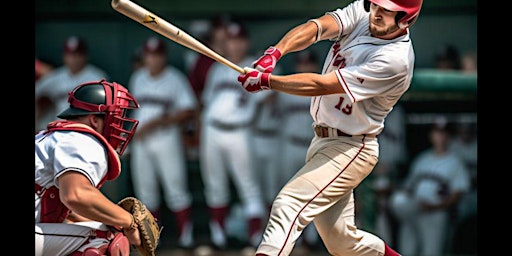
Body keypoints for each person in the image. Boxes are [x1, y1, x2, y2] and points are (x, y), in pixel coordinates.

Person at [236, 0, 422, 255]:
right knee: (341, 242)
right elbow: (317, 28)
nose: (377, 14)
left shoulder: (395, 60)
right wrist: (275, 53)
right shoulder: (364, 13)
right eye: (376, 6)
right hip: (324, 140)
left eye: (387, 11)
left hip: (352, 147)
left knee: (288, 204)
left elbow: (323, 85)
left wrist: (269, 81)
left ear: (406, 18)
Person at [35, 79, 141, 255]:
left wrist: (114, 219)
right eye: (115, 119)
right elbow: (76, 195)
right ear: (94, 120)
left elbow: (68, 210)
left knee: (94, 229)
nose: (120, 127)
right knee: (106, 240)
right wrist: (128, 221)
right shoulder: (81, 138)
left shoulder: (52, 137)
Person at [199, 20, 266, 254]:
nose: (234, 45)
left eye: (238, 40)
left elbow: (267, 101)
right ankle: (219, 239)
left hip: (240, 131)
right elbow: (206, 103)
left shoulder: (255, 67)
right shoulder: (217, 68)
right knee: (215, 186)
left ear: (246, 42)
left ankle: (254, 239)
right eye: (230, 40)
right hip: (212, 130)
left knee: (249, 187)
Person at [128, 36, 198, 249]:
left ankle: (187, 238)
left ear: (163, 57)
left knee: (176, 189)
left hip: (166, 138)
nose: (153, 59)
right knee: (146, 192)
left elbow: (189, 110)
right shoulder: (138, 77)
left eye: (157, 55)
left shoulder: (175, 78)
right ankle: (152, 241)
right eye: (149, 55)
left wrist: (160, 121)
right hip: (142, 141)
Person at [389, 117, 471, 256]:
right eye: (437, 132)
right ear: (431, 135)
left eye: (444, 133)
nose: (440, 137)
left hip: (437, 212)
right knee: (407, 250)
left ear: (449, 137)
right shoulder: (422, 159)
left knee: (431, 252)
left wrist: (436, 207)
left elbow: (458, 193)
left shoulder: (455, 161)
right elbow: (408, 187)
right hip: (415, 210)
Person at [35, 36, 109, 132]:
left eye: (77, 54)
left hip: (85, 130)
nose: (73, 59)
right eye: (70, 55)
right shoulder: (55, 77)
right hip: (58, 128)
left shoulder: (97, 77)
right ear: (64, 56)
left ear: (85, 56)